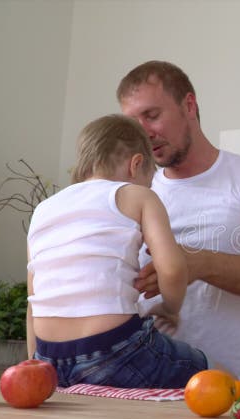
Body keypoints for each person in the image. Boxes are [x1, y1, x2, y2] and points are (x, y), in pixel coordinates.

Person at [117, 61, 240, 391]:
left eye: (152, 115)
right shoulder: (134, 195)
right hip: (151, 385)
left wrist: (195, 263)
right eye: (134, 123)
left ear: (189, 105)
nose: (144, 132)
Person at [26, 114, 214, 388]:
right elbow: (173, 269)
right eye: (149, 179)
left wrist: (35, 365)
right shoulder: (138, 196)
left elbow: (33, 301)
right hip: (116, 352)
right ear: (136, 165)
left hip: (50, 359)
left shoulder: (43, 210)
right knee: (204, 368)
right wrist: (169, 309)